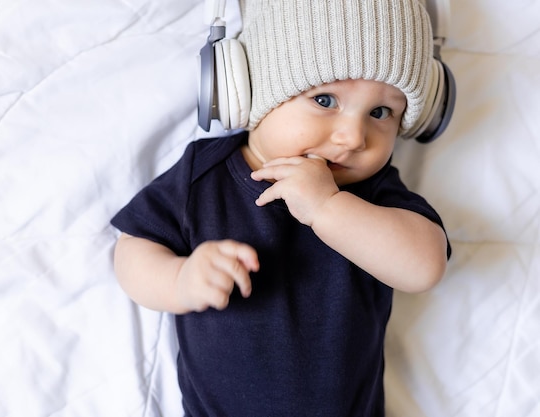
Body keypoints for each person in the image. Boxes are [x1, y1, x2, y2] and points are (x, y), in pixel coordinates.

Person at [111, 0, 451, 415]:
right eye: (325, 100)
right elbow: (132, 250)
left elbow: (425, 265)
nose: (352, 136)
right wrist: (180, 279)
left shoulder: (372, 195)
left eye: (380, 112)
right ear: (251, 90)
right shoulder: (205, 178)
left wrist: (328, 206)